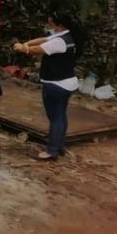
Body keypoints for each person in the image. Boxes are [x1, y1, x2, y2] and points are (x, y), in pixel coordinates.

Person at [13, 11, 83, 160]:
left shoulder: (59, 42)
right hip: (67, 83)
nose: (48, 24)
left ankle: (51, 151)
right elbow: (44, 39)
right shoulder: (66, 37)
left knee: (55, 118)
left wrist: (23, 48)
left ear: (58, 24)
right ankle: (59, 145)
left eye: (51, 22)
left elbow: (39, 49)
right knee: (61, 116)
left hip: (56, 84)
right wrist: (28, 43)